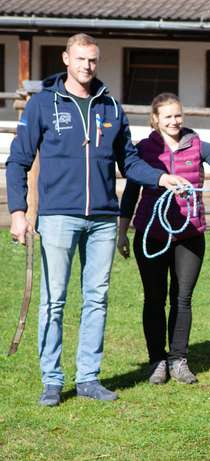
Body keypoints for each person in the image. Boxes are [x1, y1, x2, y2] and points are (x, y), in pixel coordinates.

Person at [6, 33, 189, 407]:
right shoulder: (43, 105)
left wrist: (160, 176)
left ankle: (88, 377)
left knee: (97, 299)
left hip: (104, 220)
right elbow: (18, 161)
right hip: (58, 217)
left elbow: (130, 161)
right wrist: (18, 212)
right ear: (66, 59)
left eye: (92, 60)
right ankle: (52, 381)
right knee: (54, 300)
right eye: (80, 59)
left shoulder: (111, 107)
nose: (87, 66)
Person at [117, 93, 210, 385]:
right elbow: (130, 195)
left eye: (178, 115)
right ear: (155, 119)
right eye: (167, 116)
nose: (174, 121)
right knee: (154, 299)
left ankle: (178, 359)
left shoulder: (197, 145)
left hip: (189, 235)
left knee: (182, 299)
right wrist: (121, 233)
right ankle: (157, 360)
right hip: (152, 233)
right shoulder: (143, 150)